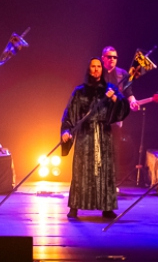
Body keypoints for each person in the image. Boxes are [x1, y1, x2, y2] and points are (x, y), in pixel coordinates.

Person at [61, 58, 130, 219]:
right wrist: (66, 131)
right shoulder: (80, 91)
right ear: (89, 69)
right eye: (93, 66)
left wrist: (115, 99)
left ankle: (107, 208)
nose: (96, 69)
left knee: (105, 171)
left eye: (99, 66)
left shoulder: (110, 89)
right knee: (81, 171)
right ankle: (74, 207)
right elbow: (69, 113)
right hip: (85, 135)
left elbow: (123, 108)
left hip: (104, 135)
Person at [101, 46, 142, 185]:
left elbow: (128, 92)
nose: (112, 59)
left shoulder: (123, 74)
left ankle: (111, 183)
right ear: (103, 58)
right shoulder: (98, 71)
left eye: (115, 57)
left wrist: (133, 102)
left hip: (115, 119)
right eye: (109, 57)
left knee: (114, 149)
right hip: (99, 117)